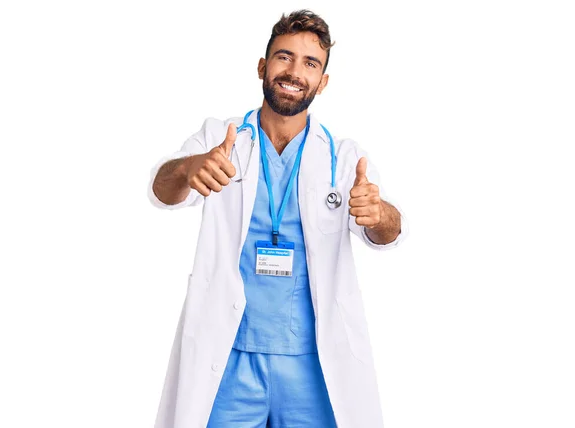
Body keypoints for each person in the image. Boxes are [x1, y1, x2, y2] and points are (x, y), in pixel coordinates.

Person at [148, 9, 408, 428]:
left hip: (313, 366)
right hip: (229, 358)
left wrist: (377, 215)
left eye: (310, 63)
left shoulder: (342, 157)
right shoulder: (222, 137)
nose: (294, 71)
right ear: (262, 67)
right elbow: (163, 192)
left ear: (322, 82)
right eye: (284, 57)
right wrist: (188, 168)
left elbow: (388, 232)